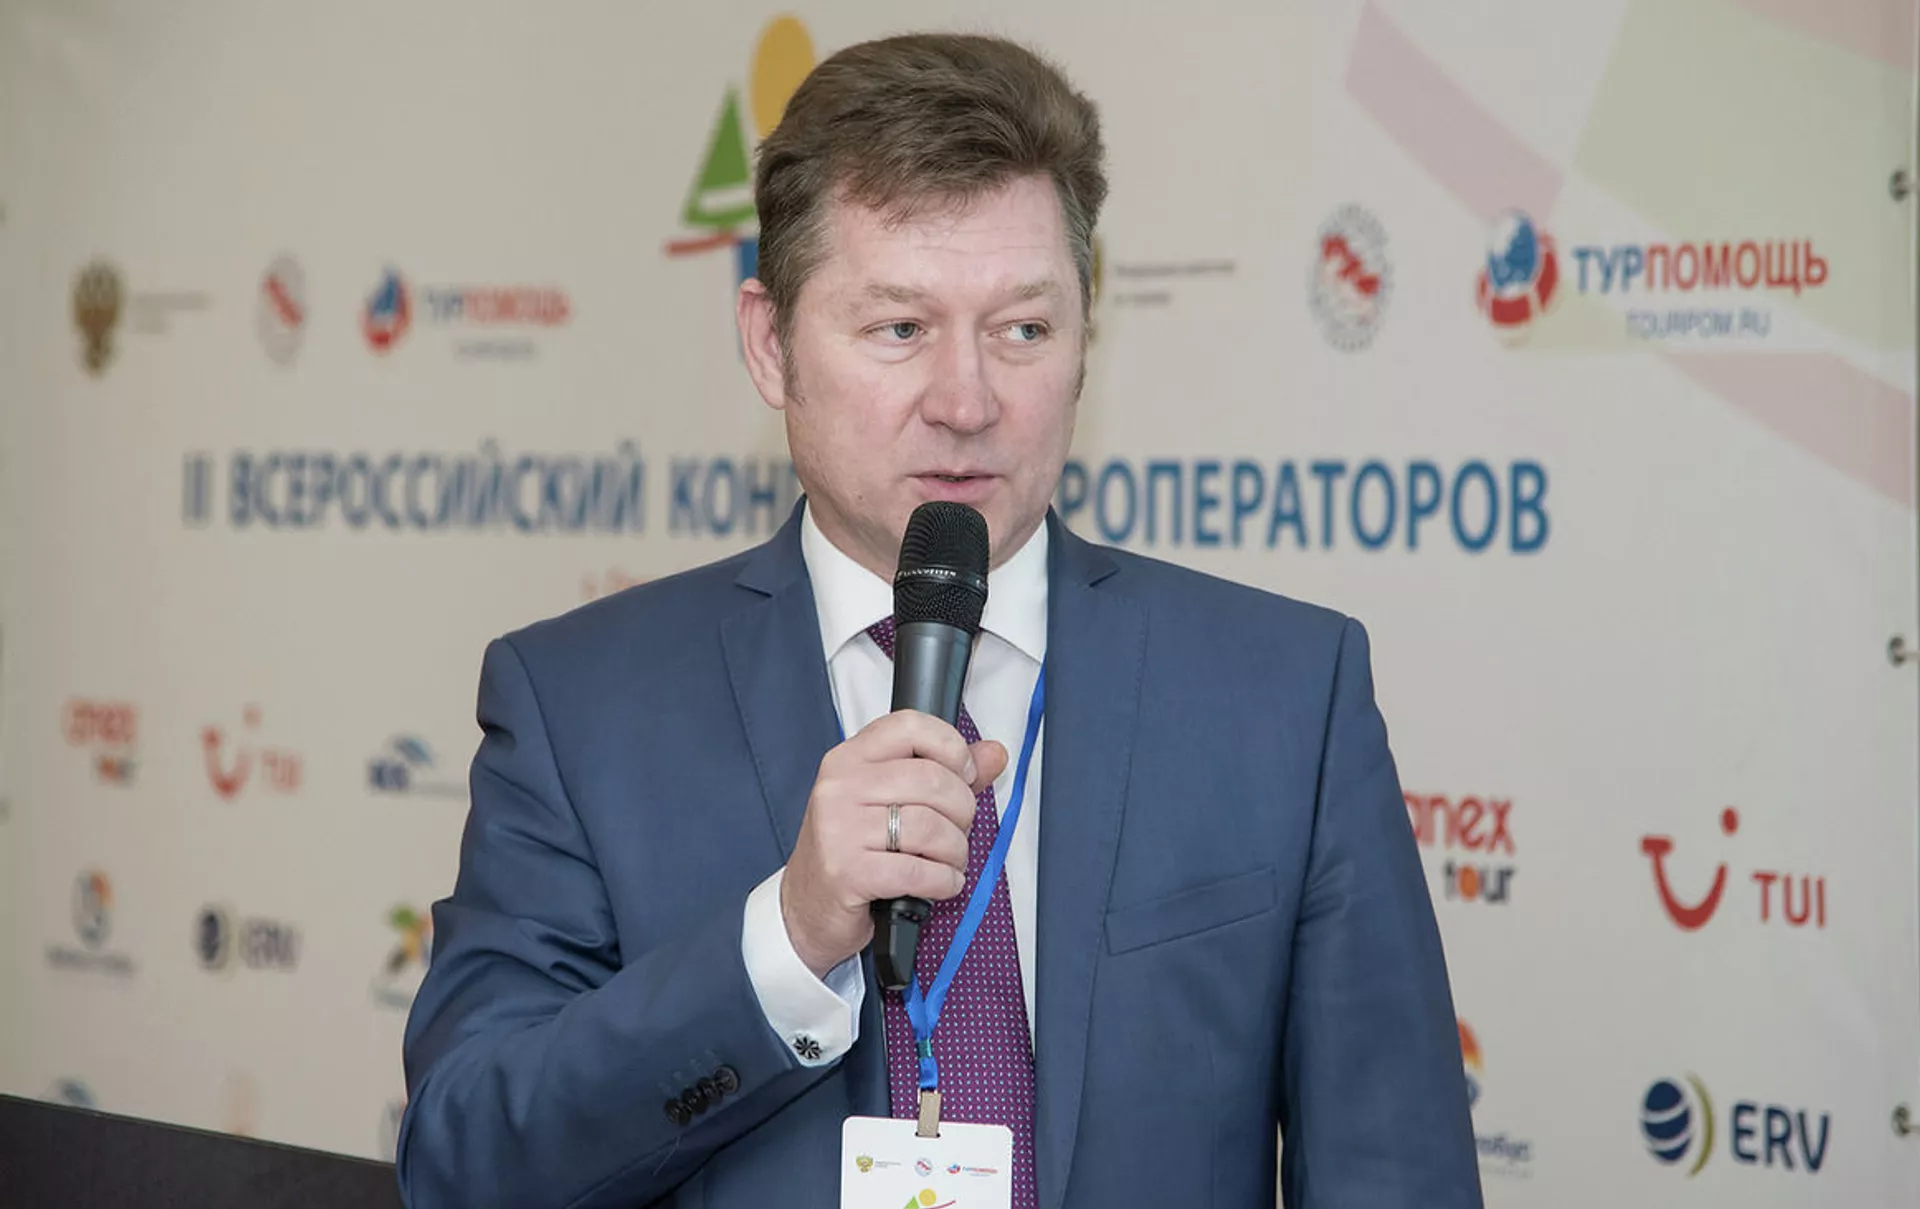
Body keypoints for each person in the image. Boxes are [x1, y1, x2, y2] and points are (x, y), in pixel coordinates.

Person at [397, 31, 1480, 1209]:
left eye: (1023, 330)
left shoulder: (1284, 696)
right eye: (900, 329)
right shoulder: (583, 711)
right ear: (770, 344)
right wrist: (786, 941)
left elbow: (1394, 1174)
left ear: (1086, 340)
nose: (967, 402)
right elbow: (466, 1162)